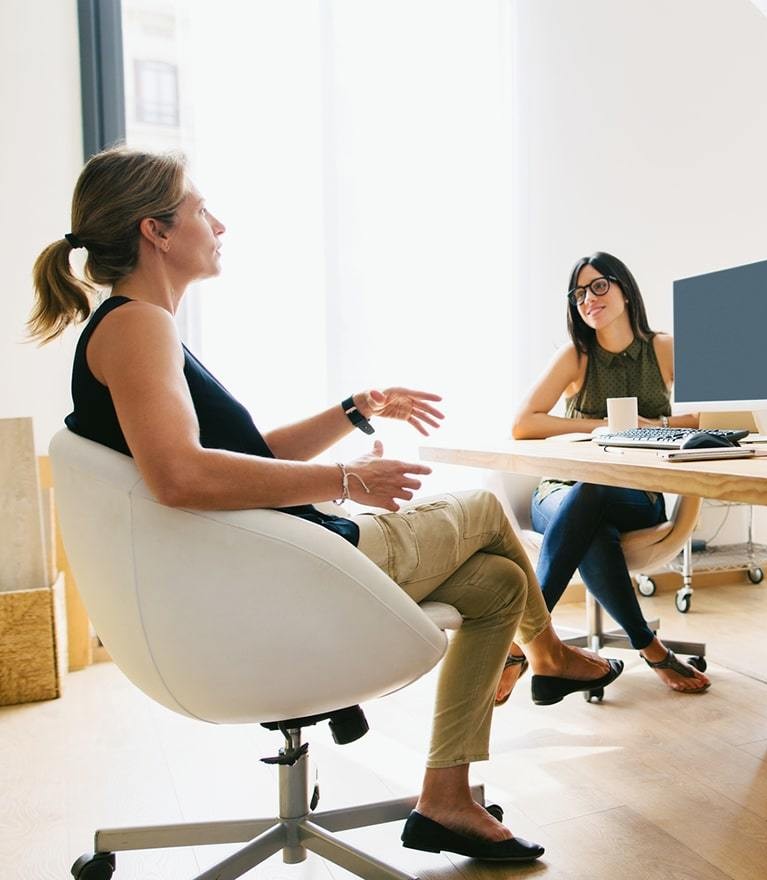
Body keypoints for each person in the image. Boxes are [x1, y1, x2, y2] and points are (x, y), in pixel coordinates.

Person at [28, 146, 622, 864]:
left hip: (271, 570)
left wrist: (356, 408)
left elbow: (247, 460)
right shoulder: (137, 327)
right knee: (486, 512)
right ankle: (551, 654)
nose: (218, 223)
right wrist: (345, 481)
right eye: (199, 208)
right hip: (293, 572)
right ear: (156, 231)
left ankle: (446, 798)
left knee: (497, 586)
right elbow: (180, 476)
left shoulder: (137, 329)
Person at [504, 251, 712, 698]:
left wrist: (650, 428)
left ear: (624, 288)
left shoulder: (663, 348)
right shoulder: (576, 356)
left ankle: (522, 646)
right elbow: (524, 423)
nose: (588, 299)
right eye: (579, 293)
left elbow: (710, 413)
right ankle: (650, 647)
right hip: (559, 495)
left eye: (599, 286)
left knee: (596, 495)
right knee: (590, 507)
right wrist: (601, 429)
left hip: (637, 493)